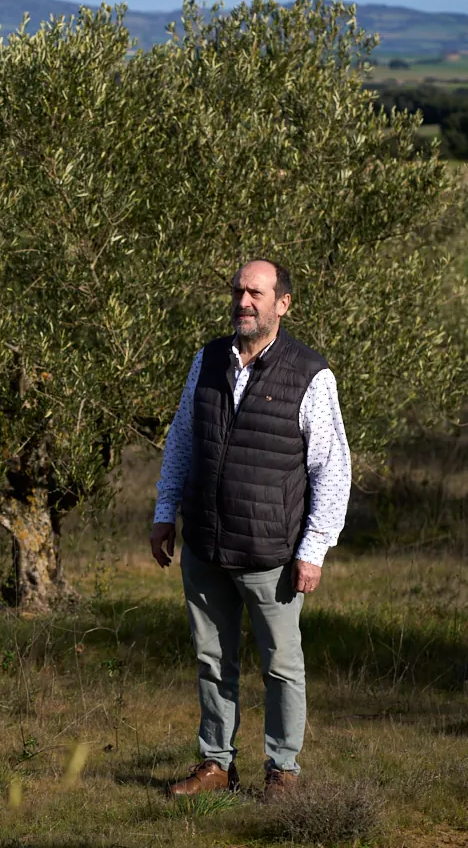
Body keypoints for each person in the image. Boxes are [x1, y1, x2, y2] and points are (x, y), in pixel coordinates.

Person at [149, 258, 351, 802]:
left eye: (256, 292)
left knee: (282, 666)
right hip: (206, 544)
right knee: (212, 661)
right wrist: (165, 510)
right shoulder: (208, 359)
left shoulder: (310, 373)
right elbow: (182, 439)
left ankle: (282, 771)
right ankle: (216, 765)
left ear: (282, 303)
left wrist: (313, 551)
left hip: (271, 553)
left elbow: (332, 471)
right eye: (238, 290)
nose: (244, 300)